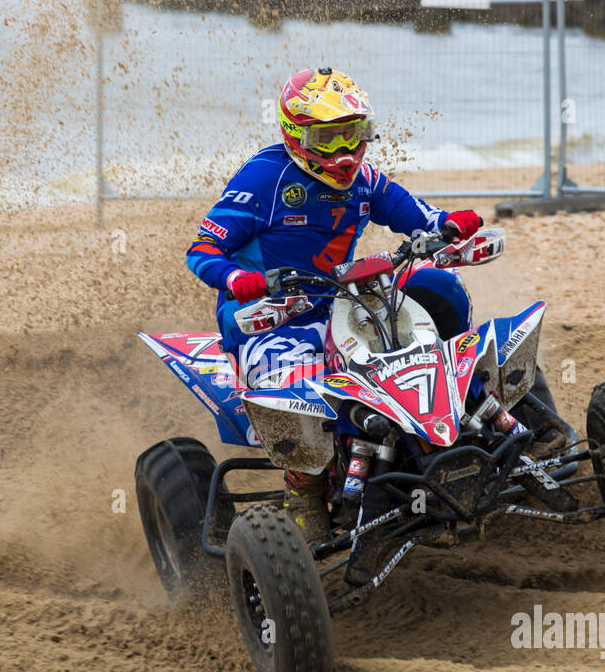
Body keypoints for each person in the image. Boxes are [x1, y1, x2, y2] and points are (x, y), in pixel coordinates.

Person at [185, 67, 484, 542]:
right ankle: (305, 496)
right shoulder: (264, 179)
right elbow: (201, 251)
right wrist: (238, 278)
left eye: (352, 134)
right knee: (305, 400)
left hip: (337, 307)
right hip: (265, 320)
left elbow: (418, 218)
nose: (343, 152)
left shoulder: (364, 180)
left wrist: (448, 225)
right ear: (296, 136)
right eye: (327, 139)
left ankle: (472, 426)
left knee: (433, 295)